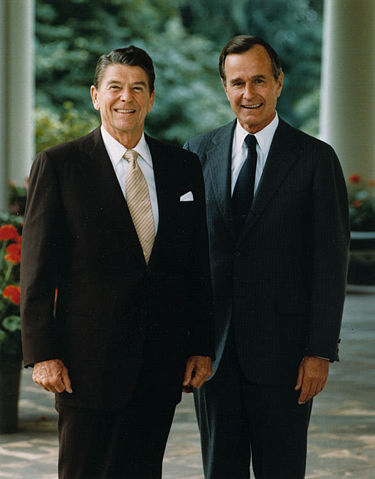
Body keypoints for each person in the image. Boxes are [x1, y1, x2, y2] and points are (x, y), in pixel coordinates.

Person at [21, 46, 214, 479]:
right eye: (115, 87)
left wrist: (201, 344)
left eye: (137, 88)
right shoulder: (59, 165)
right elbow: (35, 271)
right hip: (85, 366)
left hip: (160, 364)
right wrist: (43, 354)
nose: (125, 98)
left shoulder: (183, 167)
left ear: (151, 97)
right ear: (95, 95)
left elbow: (196, 266)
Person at [184, 35, 349, 479]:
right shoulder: (196, 153)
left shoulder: (315, 158)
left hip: (286, 357)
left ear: (280, 83)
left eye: (259, 80)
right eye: (237, 82)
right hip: (215, 356)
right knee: (220, 471)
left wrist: (319, 351)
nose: (249, 93)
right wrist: (188, 342)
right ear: (224, 88)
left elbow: (330, 265)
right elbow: (186, 259)